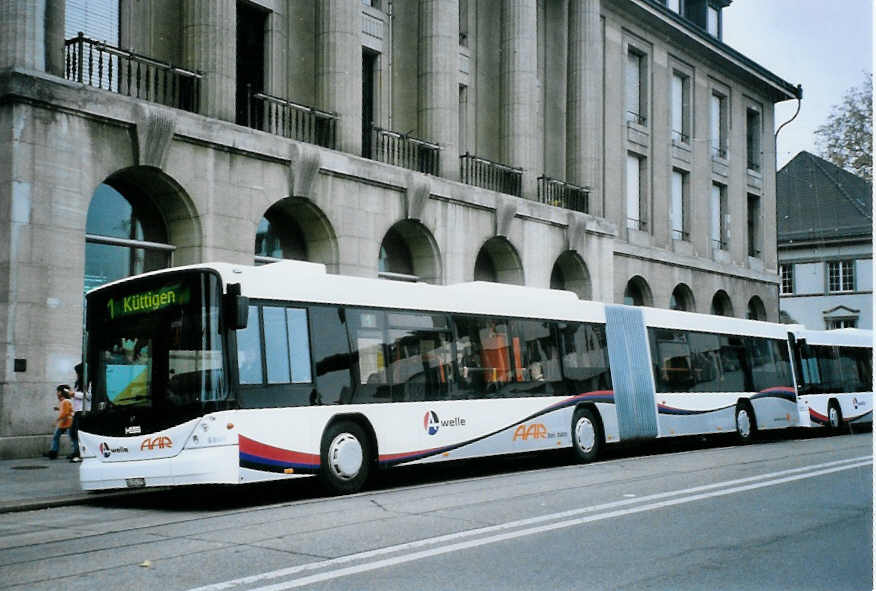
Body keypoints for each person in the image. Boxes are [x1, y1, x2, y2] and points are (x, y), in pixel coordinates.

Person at [45, 385, 74, 460]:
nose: (57, 393)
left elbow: (65, 413)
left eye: (58, 392)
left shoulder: (65, 401)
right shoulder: (64, 401)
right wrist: (58, 408)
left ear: (61, 393)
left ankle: (75, 452)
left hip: (68, 422)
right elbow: (66, 410)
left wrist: (57, 420)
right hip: (64, 423)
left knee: (72, 438)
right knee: (56, 436)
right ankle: (53, 452)